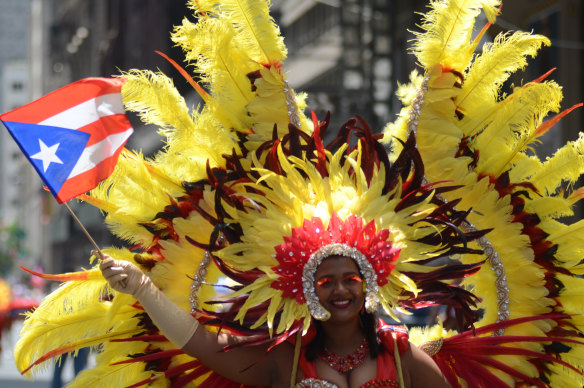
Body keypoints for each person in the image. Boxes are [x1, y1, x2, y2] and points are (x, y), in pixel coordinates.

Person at [100, 253, 451, 387]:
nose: (340, 291)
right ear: (308, 293)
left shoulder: (401, 356)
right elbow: (201, 343)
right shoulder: (286, 359)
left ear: (368, 286)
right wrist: (142, 288)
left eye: (351, 279)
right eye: (326, 282)